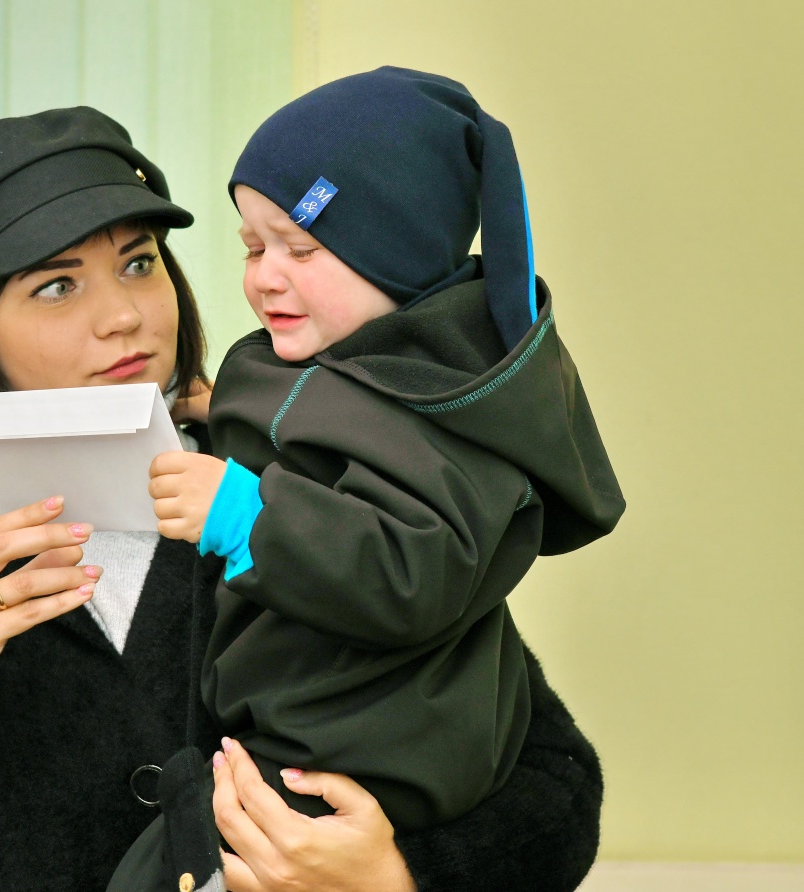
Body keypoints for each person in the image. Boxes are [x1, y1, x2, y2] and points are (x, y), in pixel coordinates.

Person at [0, 105, 608, 892]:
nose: (125, 315)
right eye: (56, 285)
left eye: (139, 264)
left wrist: (403, 876)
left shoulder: (306, 496)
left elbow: (555, 779)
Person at [122, 68, 624, 886]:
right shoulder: (345, 361)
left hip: (359, 757)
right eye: (252, 247)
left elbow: (415, 565)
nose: (265, 275)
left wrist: (247, 516)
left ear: (402, 250)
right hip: (299, 736)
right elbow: (317, 436)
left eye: (302, 248)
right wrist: (224, 415)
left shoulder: (445, 405)